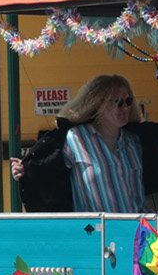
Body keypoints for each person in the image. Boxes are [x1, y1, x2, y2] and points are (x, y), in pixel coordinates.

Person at [11, 74, 145, 213]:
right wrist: (26, 169)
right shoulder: (76, 138)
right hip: (96, 231)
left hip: (138, 230)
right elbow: (46, 169)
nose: (125, 108)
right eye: (118, 102)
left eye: (128, 101)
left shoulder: (134, 141)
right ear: (99, 104)